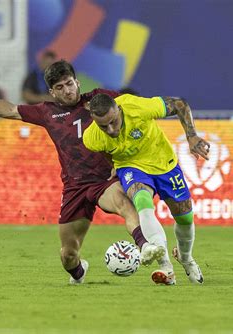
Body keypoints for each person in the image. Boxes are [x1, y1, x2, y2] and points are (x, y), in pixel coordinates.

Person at [0, 60, 166, 284]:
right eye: (60, 87)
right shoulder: (47, 112)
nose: (67, 90)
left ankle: (147, 247)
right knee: (68, 255)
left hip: (104, 181)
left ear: (77, 82)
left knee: (125, 205)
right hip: (74, 187)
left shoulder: (98, 100)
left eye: (69, 83)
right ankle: (79, 273)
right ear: (52, 92)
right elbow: (10, 110)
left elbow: (128, 107)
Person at [83, 93, 210, 285]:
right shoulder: (91, 137)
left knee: (184, 217)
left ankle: (186, 257)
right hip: (131, 167)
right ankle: (166, 267)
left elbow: (179, 104)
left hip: (164, 163)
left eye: (113, 122)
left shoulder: (138, 107)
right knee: (141, 200)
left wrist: (191, 136)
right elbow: (105, 150)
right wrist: (115, 166)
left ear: (119, 110)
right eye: (103, 126)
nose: (110, 130)